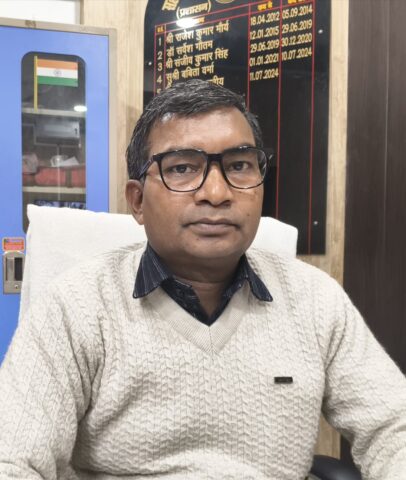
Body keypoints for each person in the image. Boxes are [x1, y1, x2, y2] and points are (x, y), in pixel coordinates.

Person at [0, 79, 405, 480]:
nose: (216, 192)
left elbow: (394, 427)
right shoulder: (76, 306)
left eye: (239, 166)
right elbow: (11, 460)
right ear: (137, 201)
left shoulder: (315, 299)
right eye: (181, 168)